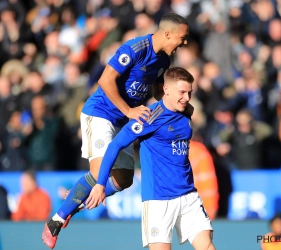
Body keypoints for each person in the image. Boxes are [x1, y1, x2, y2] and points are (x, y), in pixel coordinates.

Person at [42, 13, 189, 249]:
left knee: (123, 180)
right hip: (100, 113)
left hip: (123, 119)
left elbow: (155, 91)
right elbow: (105, 80)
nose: (185, 43)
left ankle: (75, 199)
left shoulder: (163, 62)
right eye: (182, 37)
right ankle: (56, 220)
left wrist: (178, 101)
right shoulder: (135, 48)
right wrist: (128, 110)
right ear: (168, 33)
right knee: (100, 171)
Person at [86, 67, 215, 250]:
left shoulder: (186, 112)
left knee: (207, 246)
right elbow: (115, 145)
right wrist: (100, 184)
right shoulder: (149, 117)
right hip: (158, 200)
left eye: (189, 92)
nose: (187, 98)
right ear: (166, 89)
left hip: (188, 196)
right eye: (182, 92)